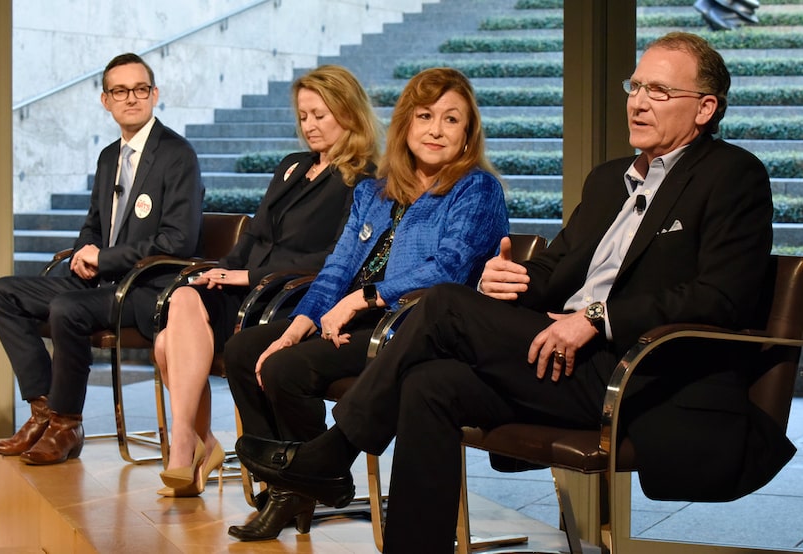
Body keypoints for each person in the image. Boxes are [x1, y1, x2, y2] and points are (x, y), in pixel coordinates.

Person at [234, 32, 797, 553]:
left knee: (443, 304)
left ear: (705, 107)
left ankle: (334, 452)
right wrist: (509, 280)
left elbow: (721, 297)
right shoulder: (609, 179)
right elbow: (553, 270)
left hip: (637, 370)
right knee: (430, 385)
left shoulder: (733, 175)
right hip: (559, 356)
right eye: (635, 85)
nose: (638, 101)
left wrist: (596, 317)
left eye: (659, 90)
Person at [223, 67, 509, 541]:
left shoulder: (475, 189)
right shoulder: (374, 191)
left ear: (467, 134)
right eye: (424, 116)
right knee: (245, 351)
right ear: (405, 125)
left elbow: (450, 270)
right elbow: (336, 268)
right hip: (356, 319)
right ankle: (294, 484)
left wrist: (363, 298)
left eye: (451, 119)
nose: (436, 129)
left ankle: (315, 474)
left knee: (285, 370)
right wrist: (298, 325)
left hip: (408, 327)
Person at [153, 65, 381, 497]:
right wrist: (220, 272)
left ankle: (193, 447)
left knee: (170, 342)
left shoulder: (364, 178)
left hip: (285, 297)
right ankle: (194, 444)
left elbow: (336, 259)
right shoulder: (293, 166)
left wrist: (248, 276)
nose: (310, 126)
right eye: (303, 116)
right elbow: (255, 234)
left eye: (320, 114)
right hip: (248, 290)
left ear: (348, 112)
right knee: (183, 300)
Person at [0, 53, 204, 466]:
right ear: (106, 101)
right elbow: (93, 225)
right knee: (2, 293)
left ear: (154, 94)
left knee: (67, 307)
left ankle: (67, 425)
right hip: (102, 283)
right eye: (120, 91)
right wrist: (85, 254)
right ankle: (43, 411)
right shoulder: (109, 156)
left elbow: (178, 240)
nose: (131, 99)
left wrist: (103, 258)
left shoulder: (177, 155)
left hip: (149, 288)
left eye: (140, 89)